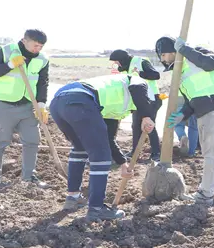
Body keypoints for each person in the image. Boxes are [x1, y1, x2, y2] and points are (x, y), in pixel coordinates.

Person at [49, 73, 156, 221]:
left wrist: (122, 163)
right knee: (101, 156)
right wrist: (146, 116)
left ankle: (73, 198)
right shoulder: (137, 82)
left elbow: (108, 139)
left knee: (80, 147)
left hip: (59, 103)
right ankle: (97, 209)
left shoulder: (110, 104)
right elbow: (137, 87)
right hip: (81, 101)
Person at [155, 36, 214, 206]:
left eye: (163, 55)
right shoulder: (181, 71)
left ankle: (205, 195)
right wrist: (182, 115)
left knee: (211, 155)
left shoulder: (197, 53)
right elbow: (192, 100)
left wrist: (185, 49)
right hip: (210, 112)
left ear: (171, 51)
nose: (162, 60)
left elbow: (211, 64)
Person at [0, 29, 50, 187]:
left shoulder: (43, 59)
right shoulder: (4, 51)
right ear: (24, 40)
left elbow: (42, 82)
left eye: (40, 46)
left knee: (32, 141)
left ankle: (29, 177)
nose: (37, 49)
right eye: (35, 45)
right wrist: (10, 65)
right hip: (2, 105)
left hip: (28, 106)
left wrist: (41, 104)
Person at [109, 49, 162, 162]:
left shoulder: (140, 61)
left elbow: (156, 75)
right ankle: (135, 152)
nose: (116, 64)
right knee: (136, 126)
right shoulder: (125, 68)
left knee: (149, 126)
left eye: (117, 61)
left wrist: (140, 74)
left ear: (122, 59)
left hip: (151, 98)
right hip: (138, 101)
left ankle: (156, 154)